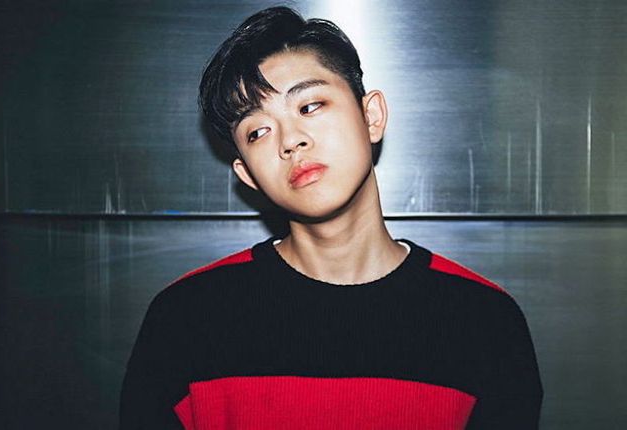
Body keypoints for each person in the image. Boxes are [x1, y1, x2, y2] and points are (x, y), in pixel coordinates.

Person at [119, 6, 543, 429]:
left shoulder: (484, 321)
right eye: (258, 131)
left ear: (371, 116)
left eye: (309, 106)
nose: (291, 141)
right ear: (247, 174)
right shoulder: (186, 318)